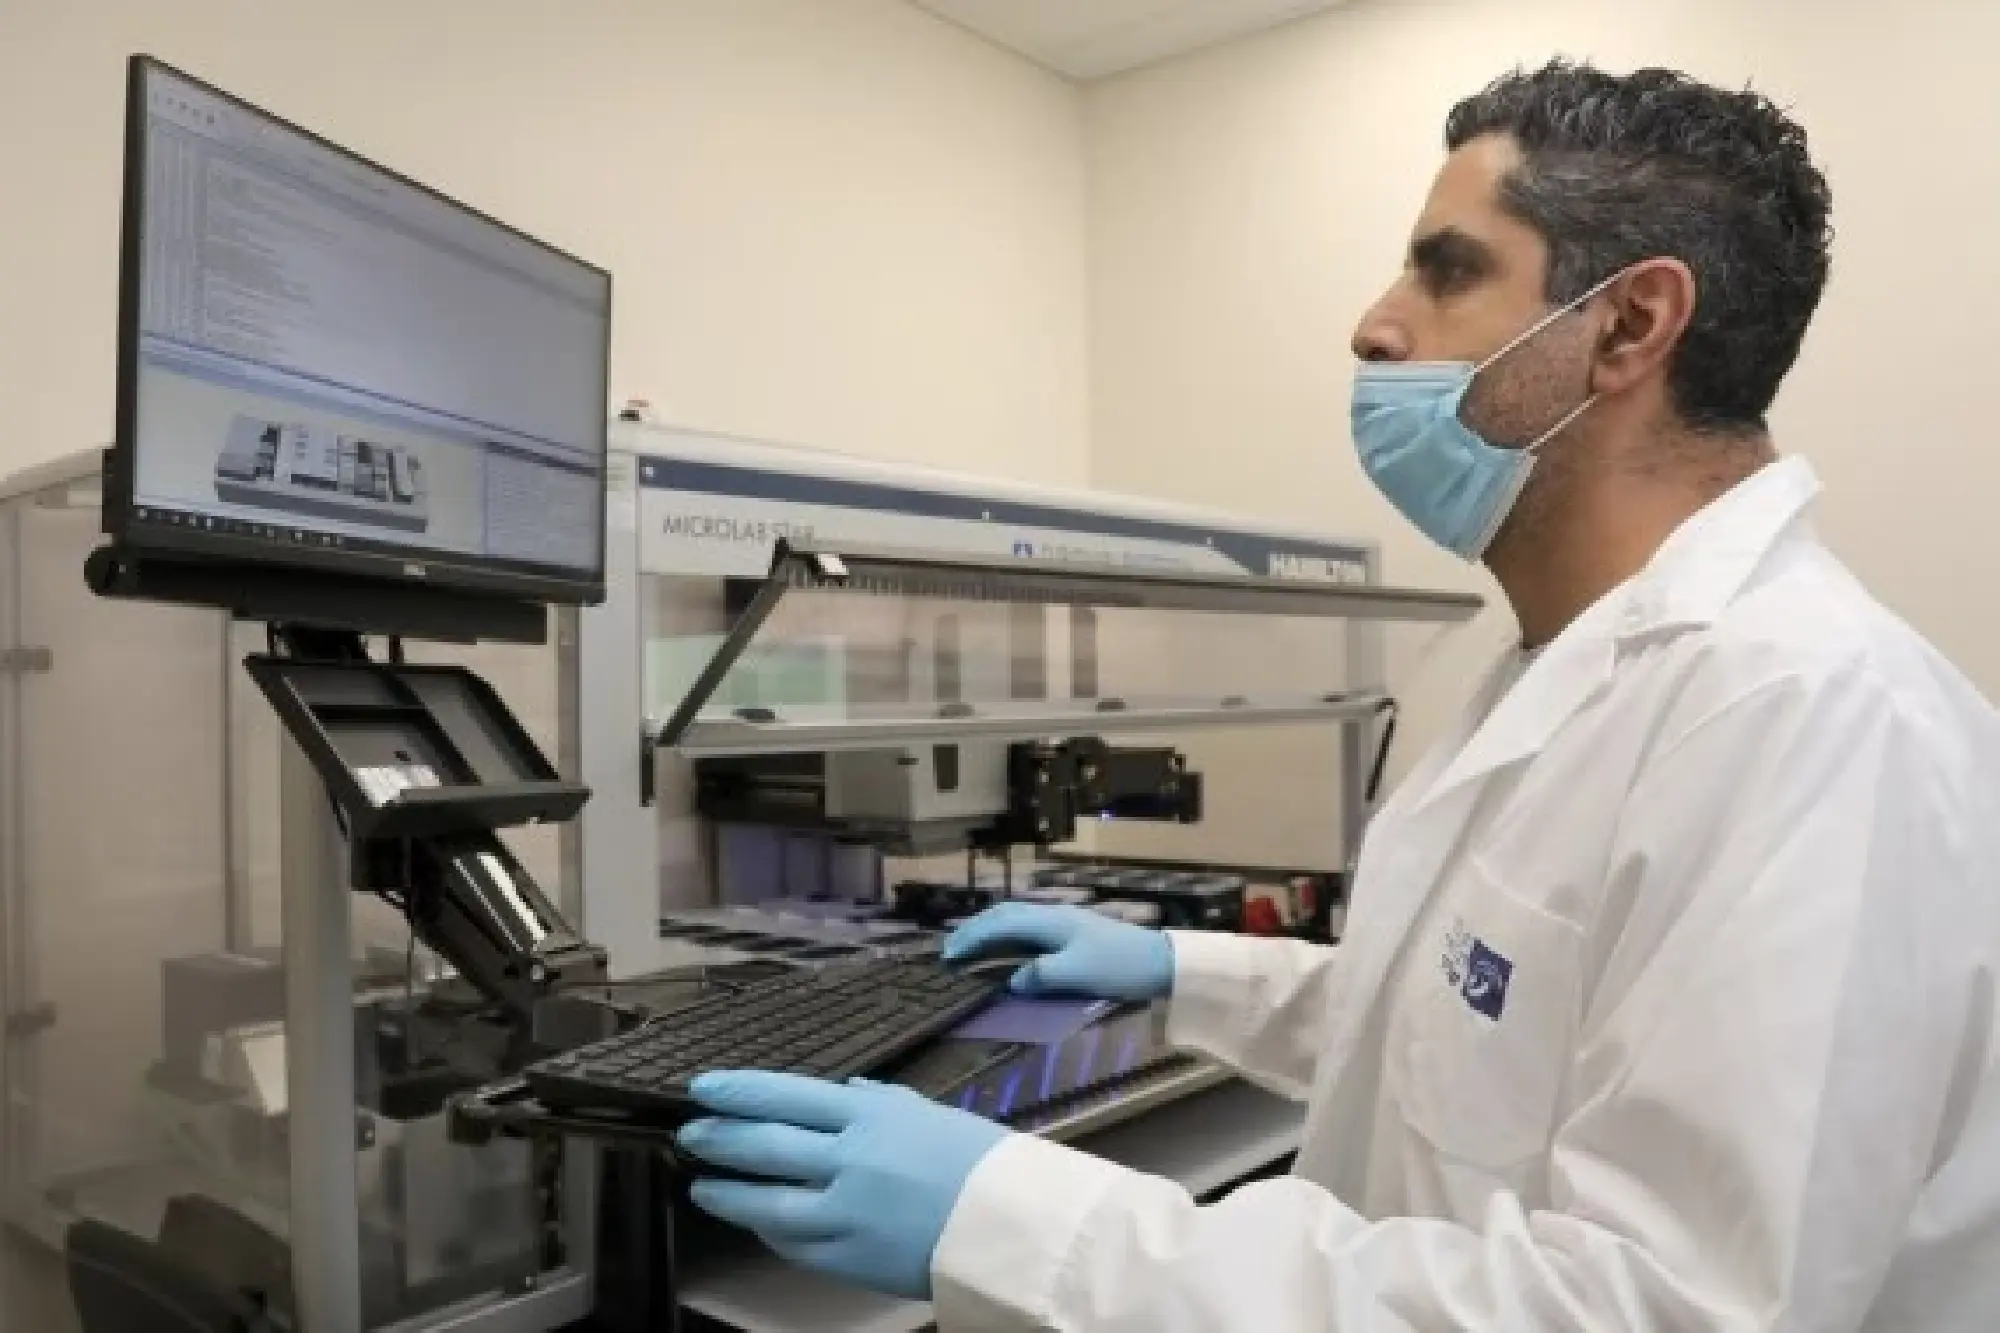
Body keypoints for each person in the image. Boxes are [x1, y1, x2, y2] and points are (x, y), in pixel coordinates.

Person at [674, 60, 2000, 1330]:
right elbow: (1466, 1044)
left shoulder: (1810, 719)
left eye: (1450, 270)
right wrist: (1178, 970)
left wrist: (1015, 1216)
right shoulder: (1575, 668)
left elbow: (1663, 1309)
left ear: (1630, 324)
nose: (1376, 323)